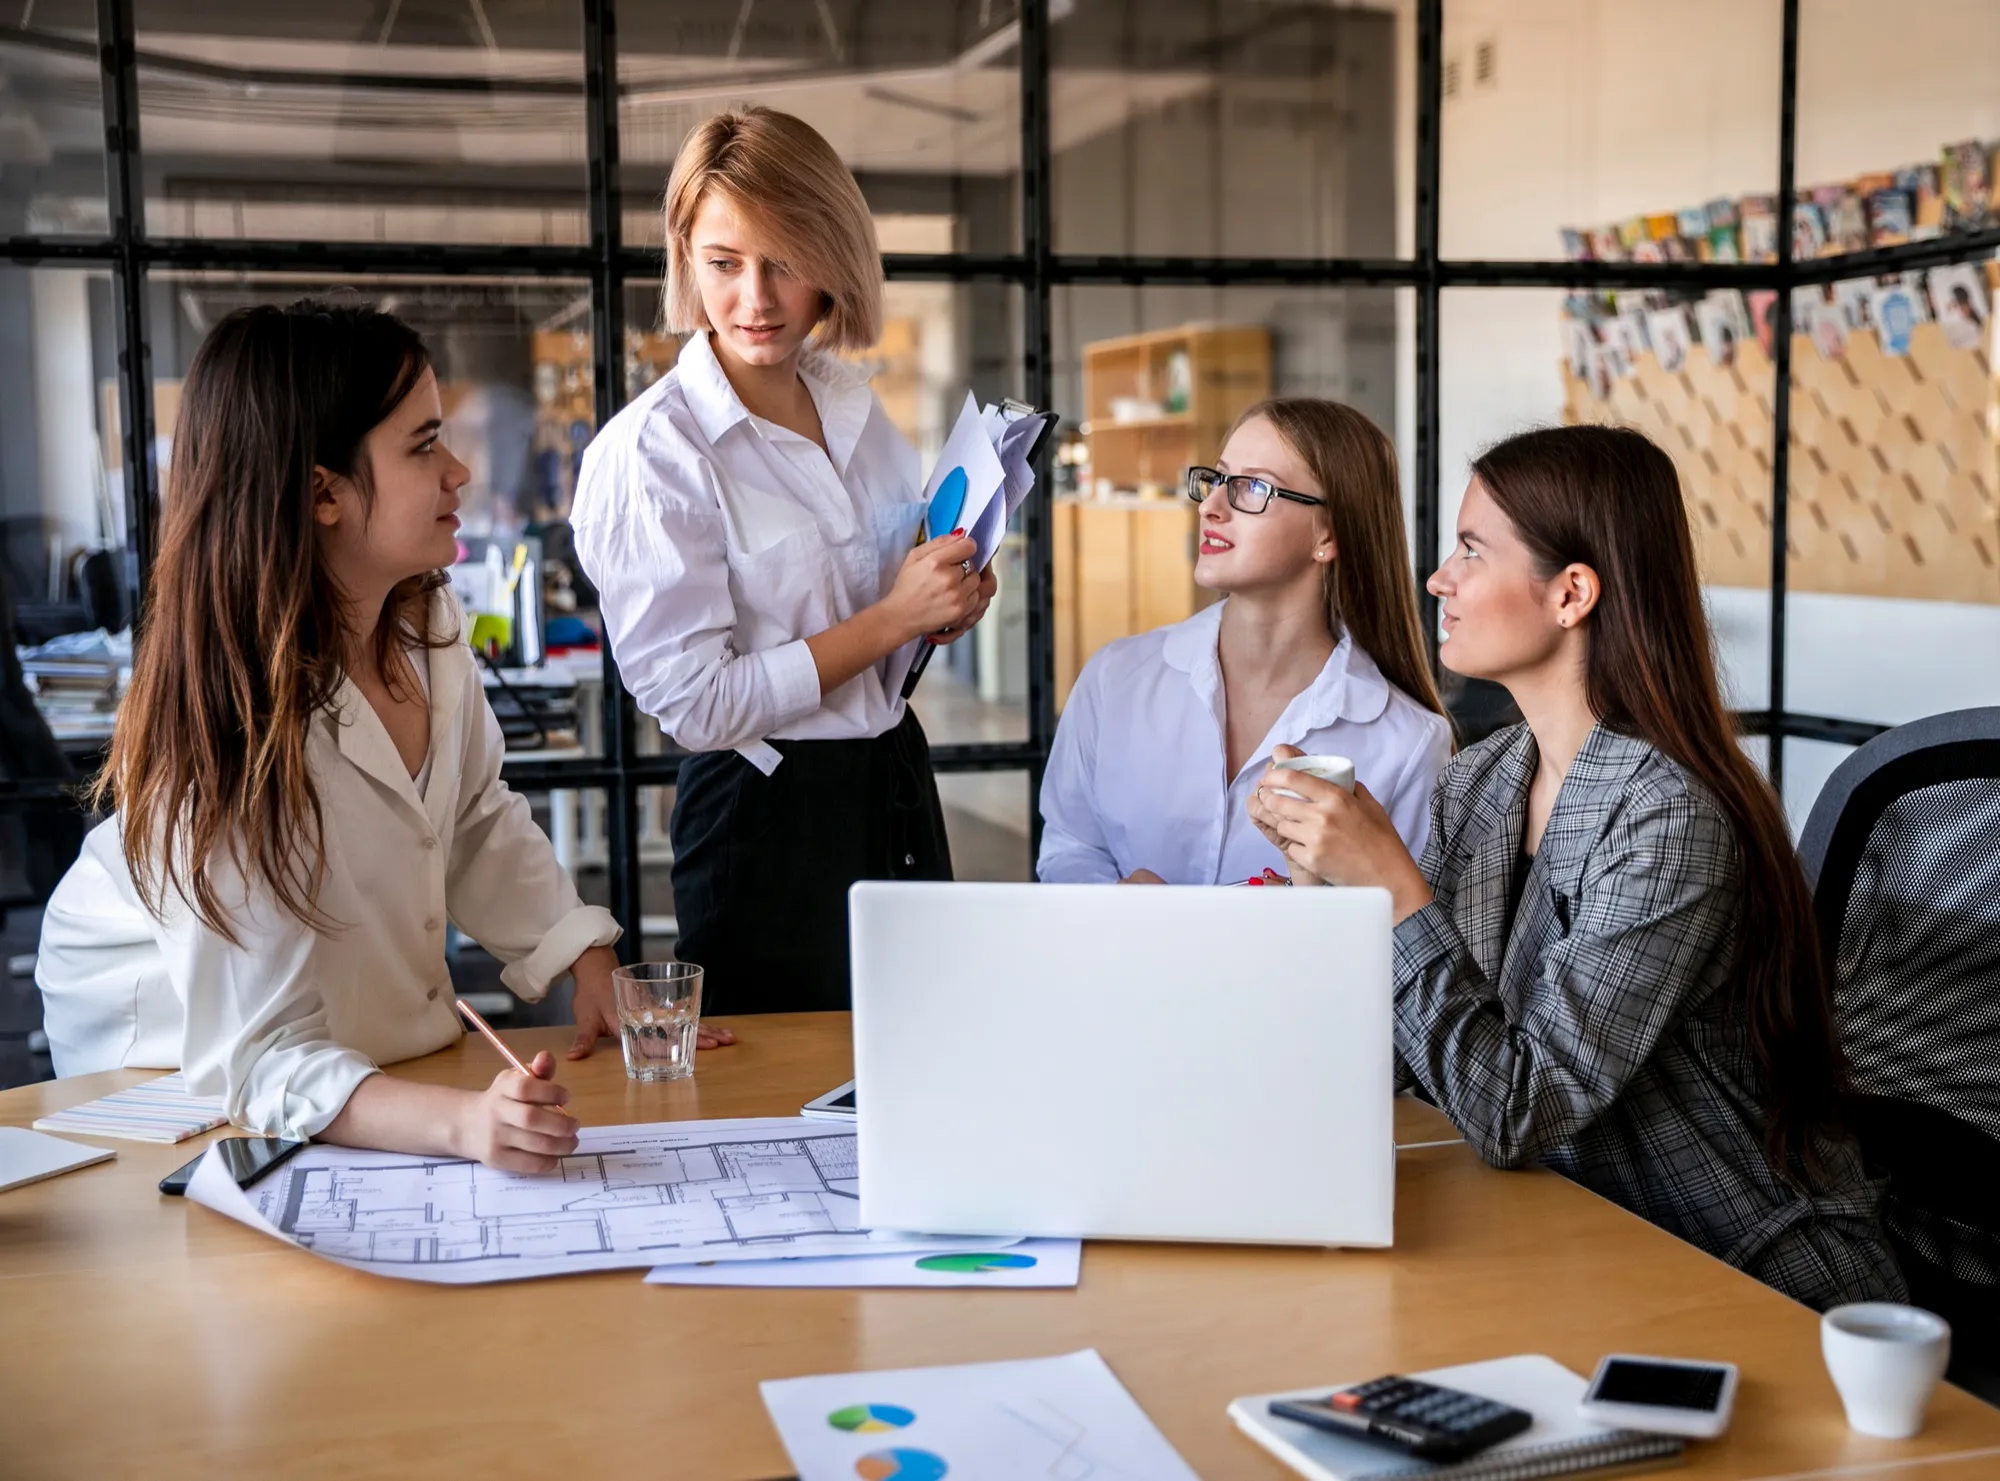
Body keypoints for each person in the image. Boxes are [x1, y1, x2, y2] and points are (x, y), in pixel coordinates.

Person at [36, 300, 730, 1175]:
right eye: (423, 445)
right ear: (323, 491)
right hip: (167, 1034)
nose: (461, 470)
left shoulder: (424, 619)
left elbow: (473, 815)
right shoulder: (229, 717)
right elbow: (255, 1058)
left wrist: (586, 960)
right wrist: (463, 1125)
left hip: (343, 1026)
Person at [1248, 424, 1904, 1310]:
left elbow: (1516, 1109)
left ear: (1571, 594)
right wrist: (1322, 881)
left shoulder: (1668, 817)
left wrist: (1395, 888)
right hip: (1574, 1226)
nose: (1439, 577)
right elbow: (1412, 1061)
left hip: (1735, 1265)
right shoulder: (1485, 778)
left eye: (1472, 550)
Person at [572, 107, 992, 1013]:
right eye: (724, 263)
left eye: (785, 262)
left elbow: (880, 631)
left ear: (832, 261)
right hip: (763, 816)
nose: (755, 299)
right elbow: (695, 704)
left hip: (892, 780)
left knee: (924, 1058)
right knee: (776, 1109)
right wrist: (891, 618)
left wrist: (939, 607)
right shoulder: (654, 453)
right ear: (687, 257)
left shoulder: (856, 412)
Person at [1038, 399, 1451, 885]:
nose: (1210, 507)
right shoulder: (1114, 678)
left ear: (1328, 534)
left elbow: (1402, 937)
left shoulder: (1409, 744)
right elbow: (1069, 847)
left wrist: (1302, 916)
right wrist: (1121, 903)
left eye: (1252, 487)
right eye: (1216, 480)